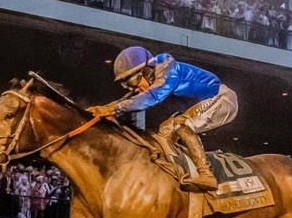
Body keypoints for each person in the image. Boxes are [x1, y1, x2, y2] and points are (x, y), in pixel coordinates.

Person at [87, 46, 239, 192]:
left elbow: (151, 98)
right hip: (199, 104)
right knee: (164, 134)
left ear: (147, 71)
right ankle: (177, 172)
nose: (134, 90)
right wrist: (105, 108)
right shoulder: (154, 76)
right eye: (128, 87)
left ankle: (206, 175)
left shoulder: (169, 71)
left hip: (222, 98)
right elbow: (134, 99)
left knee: (183, 125)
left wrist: (113, 108)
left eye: (134, 84)